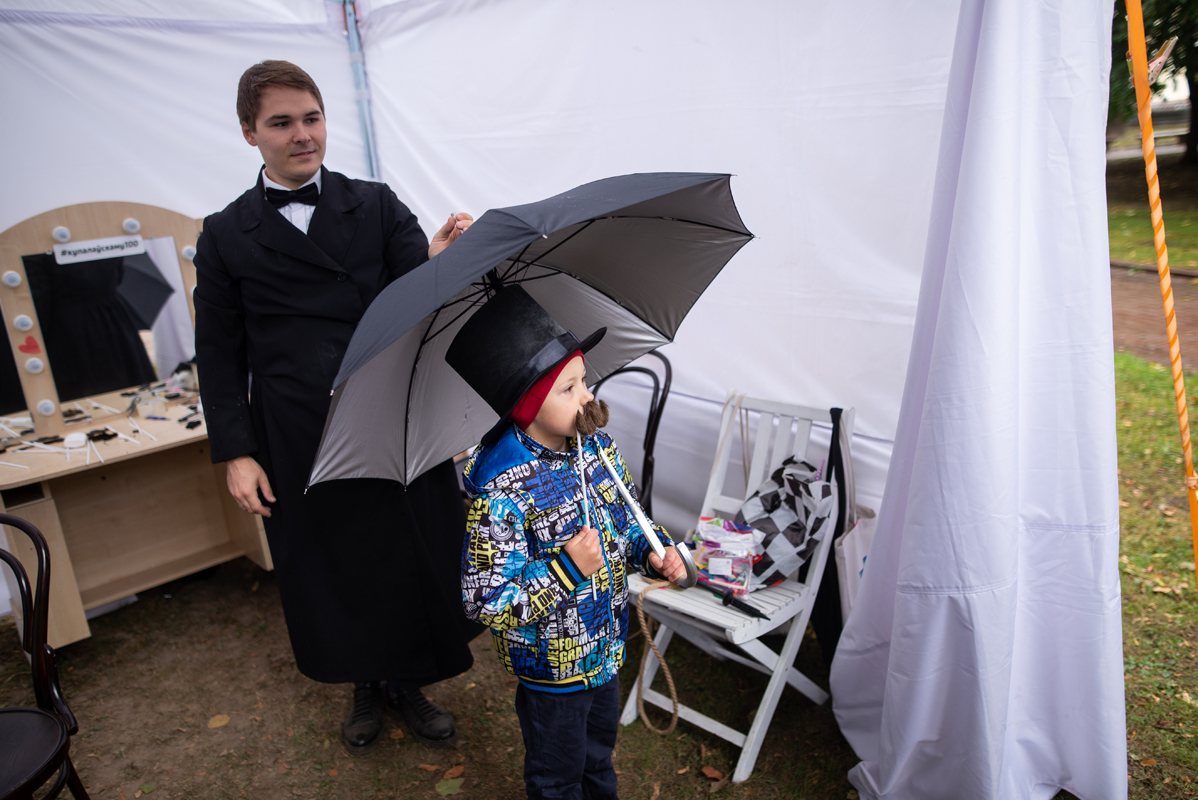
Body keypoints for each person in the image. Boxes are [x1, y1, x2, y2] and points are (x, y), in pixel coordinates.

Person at [194, 60, 478, 755]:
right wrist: (236, 452)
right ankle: (362, 681)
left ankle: (410, 681)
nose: (302, 135)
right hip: (296, 428)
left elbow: (420, 310)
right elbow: (218, 351)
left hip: (389, 411)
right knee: (335, 559)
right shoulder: (225, 233)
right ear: (248, 133)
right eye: (282, 123)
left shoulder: (377, 204)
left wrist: (442, 262)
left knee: (407, 549)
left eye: (311, 118)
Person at [446, 286, 688, 799]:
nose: (587, 397)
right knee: (557, 776)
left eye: (584, 381)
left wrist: (652, 549)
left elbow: (628, 519)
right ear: (528, 406)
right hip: (551, 669)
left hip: (605, 648)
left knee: (598, 759)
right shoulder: (504, 490)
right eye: (569, 389)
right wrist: (567, 569)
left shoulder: (596, 448)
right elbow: (486, 600)